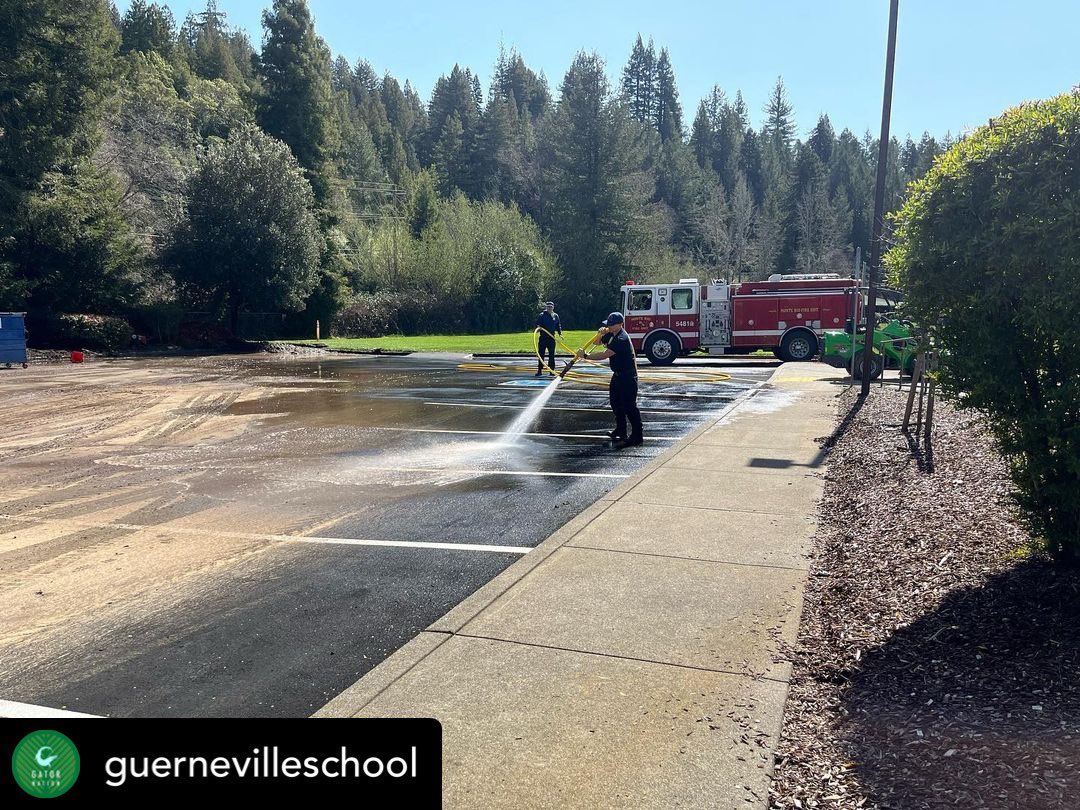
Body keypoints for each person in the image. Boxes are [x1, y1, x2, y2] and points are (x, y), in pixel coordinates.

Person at [577, 312, 643, 447]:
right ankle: (621, 430)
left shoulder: (622, 339)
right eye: (608, 325)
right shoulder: (611, 334)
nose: (609, 327)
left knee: (630, 407)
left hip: (628, 376)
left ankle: (637, 436)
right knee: (615, 403)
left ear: (620, 324)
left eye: (611, 325)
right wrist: (600, 333)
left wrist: (585, 356)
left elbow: (605, 354)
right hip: (618, 375)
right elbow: (597, 342)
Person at [534, 301, 562, 376]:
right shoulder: (542, 315)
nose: (549, 308)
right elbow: (538, 324)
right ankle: (539, 370)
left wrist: (560, 333)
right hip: (543, 338)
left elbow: (558, 325)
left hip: (551, 338)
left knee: (552, 355)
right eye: (548, 306)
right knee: (541, 354)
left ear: (553, 307)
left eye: (551, 307)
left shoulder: (555, 316)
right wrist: (538, 328)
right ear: (546, 307)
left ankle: (551, 371)